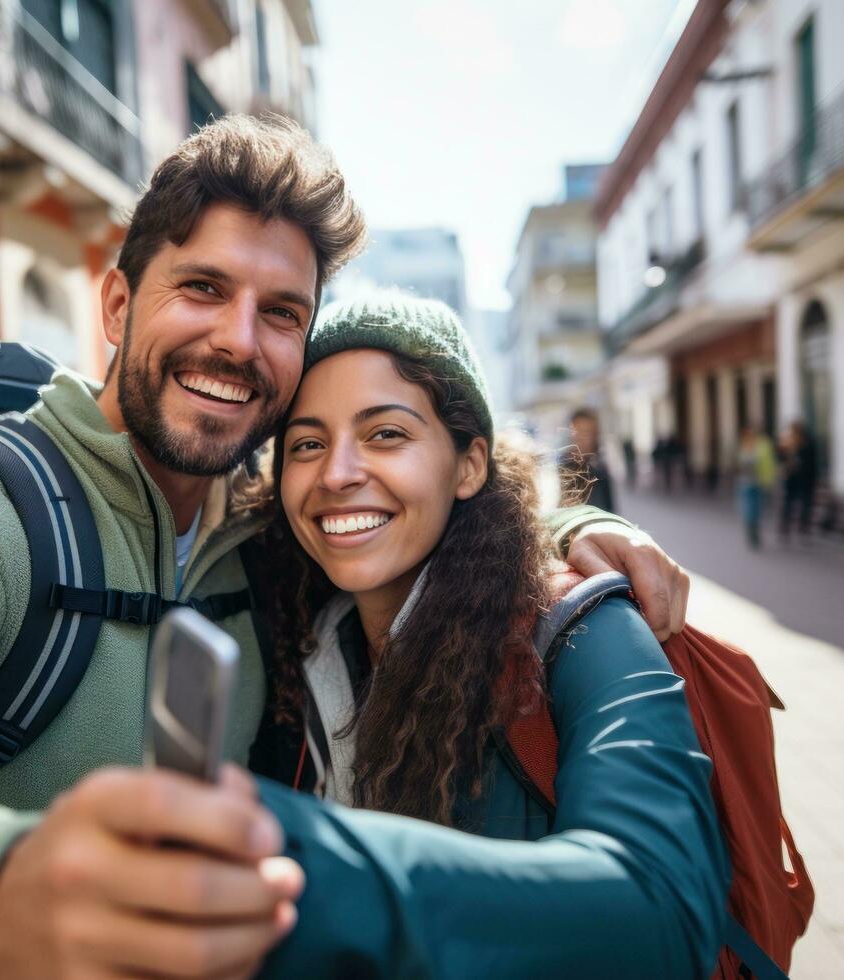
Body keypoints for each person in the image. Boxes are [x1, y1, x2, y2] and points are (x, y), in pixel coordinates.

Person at [0, 115, 693, 980]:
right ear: (120, 307)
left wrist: (562, 529)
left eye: (281, 313)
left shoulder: (263, 529)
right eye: (203, 287)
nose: (237, 339)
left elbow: (412, 505)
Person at [250, 294, 727, 974]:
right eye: (306, 443)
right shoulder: (302, 638)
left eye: (386, 433)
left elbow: (664, 909)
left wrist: (301, 852)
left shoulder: (587, 632)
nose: (336, 473)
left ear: (470, 464)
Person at [558, 407, 617, 514]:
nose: (581, 437)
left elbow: (609, 509)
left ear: (595, 434)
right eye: (577, 431)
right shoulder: (561, 467)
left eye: (586, 432)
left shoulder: (600, 468)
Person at [736, 425, 777, 550]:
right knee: (749, 510)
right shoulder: (744, 448)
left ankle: (755, 534)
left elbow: (767, 464)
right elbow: (740, 465)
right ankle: (751, 534)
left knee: (756, 510)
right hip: (746, 484)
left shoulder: (761, 447)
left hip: (757, 483)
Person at [778, 420, 818, 541]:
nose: (793, 433)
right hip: (793, 479)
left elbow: (811, 462)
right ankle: (787, 527)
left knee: (804, 503)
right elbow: (782, 459)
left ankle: (802, 527)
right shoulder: (789, 443)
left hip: (805, 478)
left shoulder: (807, 443)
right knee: (790, 502)